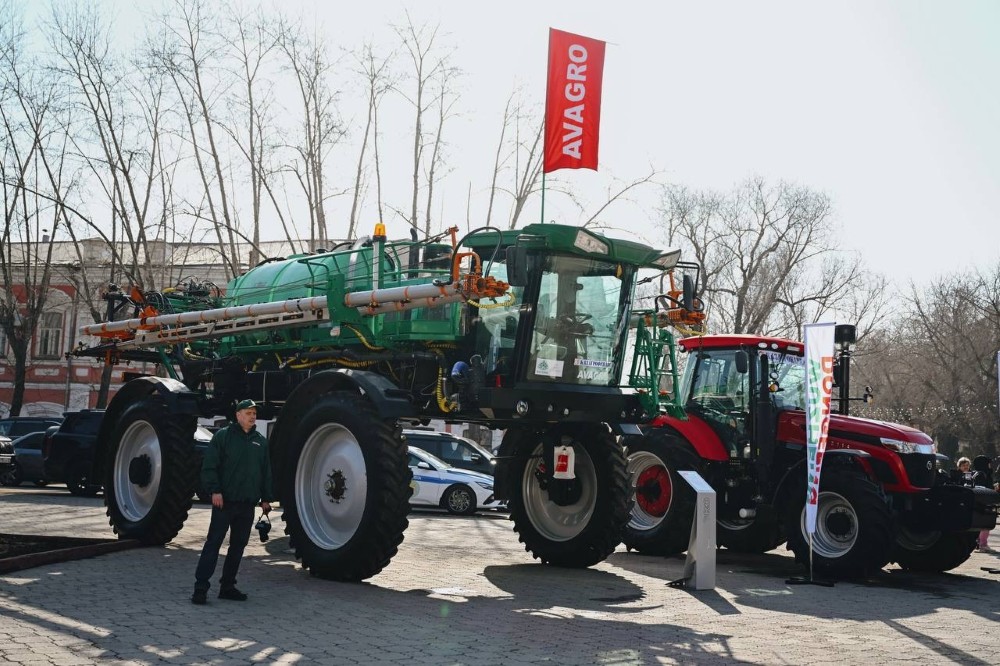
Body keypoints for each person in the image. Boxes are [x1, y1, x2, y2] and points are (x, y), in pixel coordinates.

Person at [192, 399, 274, 604]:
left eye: (254, 413)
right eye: (248, 413)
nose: (252, 416)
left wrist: (266, 499)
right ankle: (200, 588)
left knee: (238, 546)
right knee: (213, 544)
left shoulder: (260, 442)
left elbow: (266, 473)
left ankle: (227, 586)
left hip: (247, 505)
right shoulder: (223, 437)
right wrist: (215, 491)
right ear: (238, 415)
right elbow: (210, 466)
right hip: (224, 503)